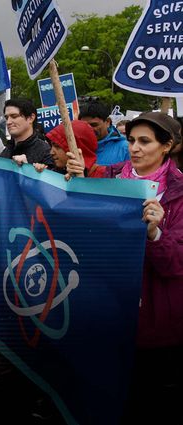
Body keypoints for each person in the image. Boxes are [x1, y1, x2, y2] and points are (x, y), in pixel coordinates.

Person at [106, 112, 183, 424]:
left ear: (166, 147)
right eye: (131, 140)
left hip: (159, 322)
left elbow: (175, 263)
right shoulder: (110, 180)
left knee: (152, 402)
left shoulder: (179, 194)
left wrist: (155, 233)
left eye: (144, 141)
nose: (134, 148)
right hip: (113, 314)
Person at [33, 120, 106, 179]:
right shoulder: (57, 175)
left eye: (57, 146)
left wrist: (79, 178)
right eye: (51, 146)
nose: (51, 152)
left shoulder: (105, 176)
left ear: (78, 148)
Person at [2, 98, 54, 167]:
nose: (8, 122)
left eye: (14, 116)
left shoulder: (46, 152)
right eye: (6, 118)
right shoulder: (6, 151)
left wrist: (27, 168)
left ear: (31, 118)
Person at [78, 101, 129, 165]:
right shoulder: (75, 147)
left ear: (107, 122)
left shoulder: (126, 149)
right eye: (85, 125)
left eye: (94, 125)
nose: (89, 129)